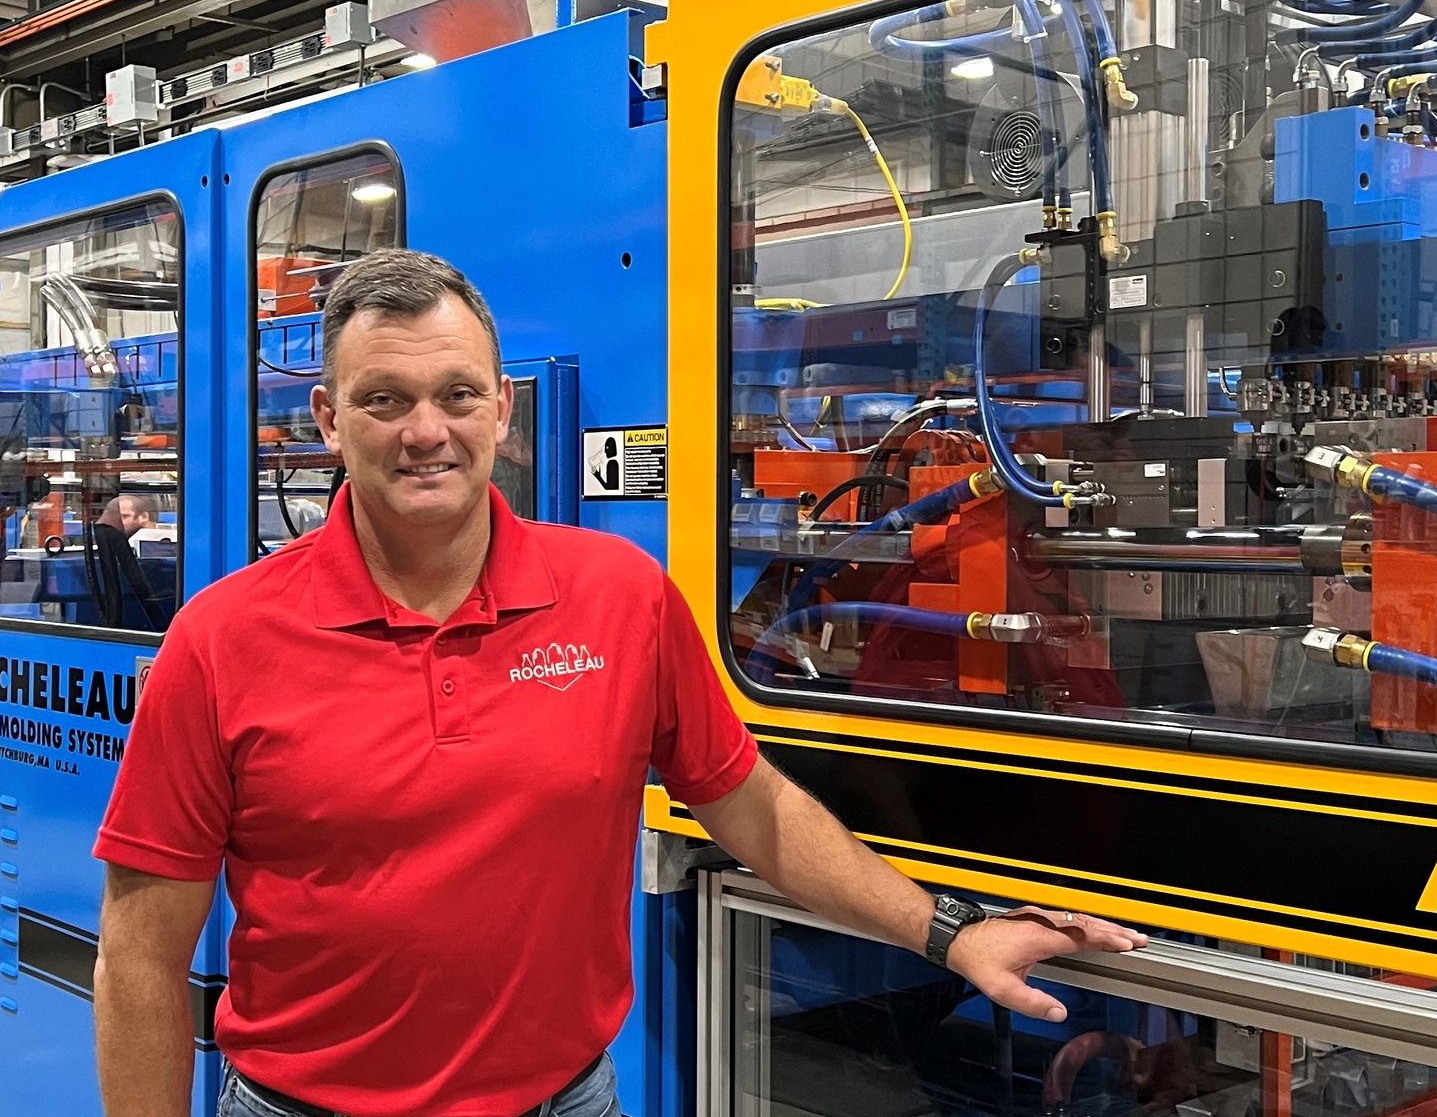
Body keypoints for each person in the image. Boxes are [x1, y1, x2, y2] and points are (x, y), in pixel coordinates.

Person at [91, 248, 1146, 1117]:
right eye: (385, 400)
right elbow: (142, 955)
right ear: (327, 420)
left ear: (501, 408)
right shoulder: (223, 639)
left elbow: (752, 803)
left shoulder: (616, 597)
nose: (426, 431)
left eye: (457, 394)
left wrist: (951, 930)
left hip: (567, 1101)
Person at [86, 494, 166, 632]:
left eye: (124, 517)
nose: (115, 523)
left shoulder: (160, 549)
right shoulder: (113, 546)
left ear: (144, 517)